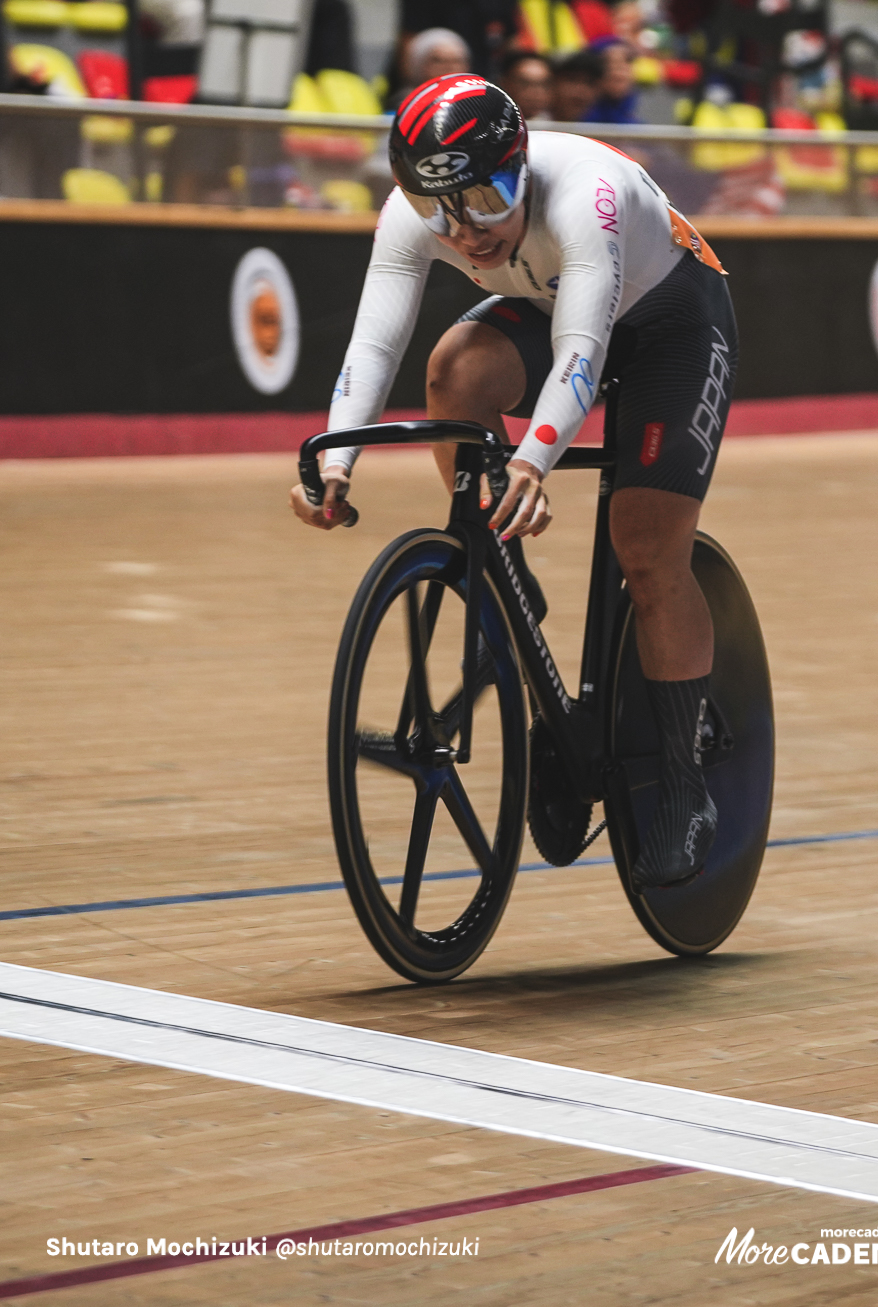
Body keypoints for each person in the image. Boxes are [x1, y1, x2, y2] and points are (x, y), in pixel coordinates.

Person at [287, 74, 739, 890]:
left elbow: (583, 351)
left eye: (488, 196)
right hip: (550, 301)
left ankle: (680, 778)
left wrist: (532, 458)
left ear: (522, 165)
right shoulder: (419, 212)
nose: (466, 231)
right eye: (439, 212)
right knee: (453, 373)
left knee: (644, 547)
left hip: (671, 320)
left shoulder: (585, 196)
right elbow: (374, 342)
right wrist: (335, 463)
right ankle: (511, 588)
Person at [389, 28, 471, 109]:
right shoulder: (404, 104)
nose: (448, 67)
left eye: (456, 61)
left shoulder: (475, 101)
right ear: (418, 64)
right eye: (438, 60)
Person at [500, 48, 556, 122]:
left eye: (543, 85)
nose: (535, 93)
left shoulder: (565, 127)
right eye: (525, 84)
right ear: (505, 84)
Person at [551, 48, 603, 122]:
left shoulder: (600, 127)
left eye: (589, 83)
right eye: (572, 79)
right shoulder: (533, 128)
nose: (581, 91)